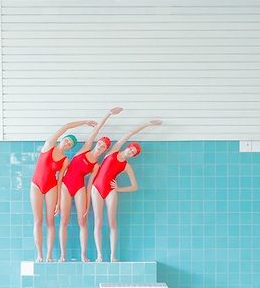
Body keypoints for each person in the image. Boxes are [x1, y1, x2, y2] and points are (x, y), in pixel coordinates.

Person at [91, 120, 162, 262]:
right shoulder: (113, 151)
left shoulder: (126, 166)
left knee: (112, 223)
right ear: (128, 147)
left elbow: (134, 186)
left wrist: (118, 188)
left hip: (111, 191)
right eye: (131, 149)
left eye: (133, 153)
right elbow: (130, 133)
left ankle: (112, 256)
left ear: (133, 156)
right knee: (98, 223)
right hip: (96, 188)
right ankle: (99, 255)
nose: (130, 152)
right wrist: (147, 124)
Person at [59, 107, 123, 262]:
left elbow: (89, 186)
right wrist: (108, 114)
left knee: (83, 221)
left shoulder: (96, 166)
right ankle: (62, 255)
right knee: (64, 220)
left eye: (103, 147)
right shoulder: (85, 149)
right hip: (66, 185)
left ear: (104, 150)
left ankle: (83, 255)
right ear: (96, 143)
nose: (100, 147)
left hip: (80, 187)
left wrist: (88, 204)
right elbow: (97, 129)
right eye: (100, 143)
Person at [31, 120, 96, 262]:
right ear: (62, 139)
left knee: (50, 221)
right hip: (36, 185)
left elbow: (60, 180)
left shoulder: (65, 160)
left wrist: (59, 202)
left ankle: (48, 255)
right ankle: (39, 255)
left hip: (51, 187)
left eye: (70, 145)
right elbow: (66, 126)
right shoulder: (49, 145)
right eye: (67, 140)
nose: (67, 144)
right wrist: (84, 122)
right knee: (37, 220)